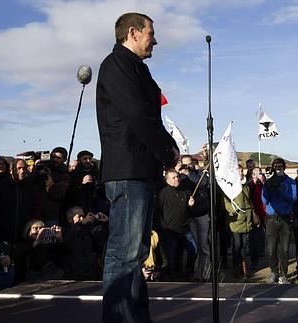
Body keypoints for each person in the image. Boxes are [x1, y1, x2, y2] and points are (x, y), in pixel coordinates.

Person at [96, 12, 179, 323]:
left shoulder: (135, 68)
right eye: (150, 33)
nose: (154, 40)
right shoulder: (117, 65)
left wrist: (168, 149)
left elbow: (149, 115)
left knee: (136, 251)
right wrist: (167, 150)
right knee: (126, 253)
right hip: (128, 170)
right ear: (133, 32)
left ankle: (135, 315)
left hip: (140, 170)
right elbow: (137, 114)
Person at [262, 158, 297, 284]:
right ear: (273, 167)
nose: (278, 168)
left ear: (284, 167)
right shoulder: (268, 183)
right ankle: (274, 271)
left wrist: (280, 190)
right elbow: (264, 201)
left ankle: (283, 274)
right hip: (272, 218)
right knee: (271, 249)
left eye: (280, 166)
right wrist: (270, 188)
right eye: (276, 166)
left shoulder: (290, 182)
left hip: (285, 218)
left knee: (284, 249)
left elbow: (293, 199)